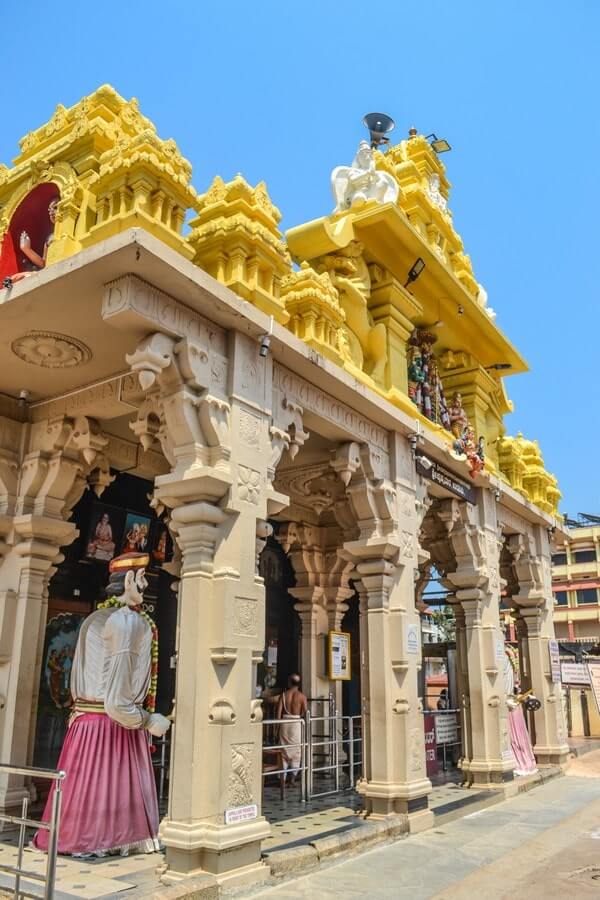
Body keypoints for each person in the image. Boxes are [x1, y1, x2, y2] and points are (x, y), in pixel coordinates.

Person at [33, 552, 171, 857]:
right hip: (114, 727)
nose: (146, 583)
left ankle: (73, 837)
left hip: (84, 723)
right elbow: (118, 701)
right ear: (130, 581)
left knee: (81, 791)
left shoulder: (94, 618)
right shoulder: (128, 622)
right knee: (110, 794)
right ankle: (107, 839)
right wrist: (149, 721)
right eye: (141, 577)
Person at [2, 199, 58, 288]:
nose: (51, 212)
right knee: (24, 276)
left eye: (55, 208)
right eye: (49, 210)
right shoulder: (50, 237)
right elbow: (43, 264)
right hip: (48, 271)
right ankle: (8, 281)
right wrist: (26, 248)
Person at [276, 674, 307, 784]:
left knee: (283, 750)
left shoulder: (283, 696)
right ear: (299, 684)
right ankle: (292, 779)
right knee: (296, 750)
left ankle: (282, 779)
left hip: (284, 723)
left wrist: (277, 728)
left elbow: (278, 713)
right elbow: (305, 712)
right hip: (296, 723)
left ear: (289, 682)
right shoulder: (302, 697)